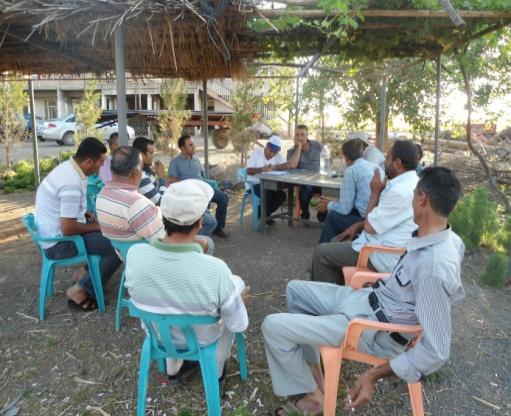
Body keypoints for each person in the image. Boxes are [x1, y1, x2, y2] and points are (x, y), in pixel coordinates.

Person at [262, 166, 465, 415]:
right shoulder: (449, 239)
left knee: (272, 326)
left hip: (370, 330)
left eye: (414, 194)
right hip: (368, 300)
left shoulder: (434, 266)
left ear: (422, 199)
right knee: (295, 290)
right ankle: (316, 381)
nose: (411, 200)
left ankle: (313, 399)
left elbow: (437, 350)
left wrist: (374, 374)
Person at [125, 179, 249, 383]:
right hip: (201, 337)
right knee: (235, 288)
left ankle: (173, 366)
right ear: (200, 222)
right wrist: (238, 303)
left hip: (159, 336)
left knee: (169, 301)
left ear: (162, 216)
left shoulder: (135, 255)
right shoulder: (216, 270)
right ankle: (216, 370)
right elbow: (238, 324)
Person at [311, 140, 419, 285]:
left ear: (397, 163)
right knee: (335, 242)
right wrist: (357, 226)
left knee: (321, 252)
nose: (385, 162)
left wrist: (375, 192)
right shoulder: (413, 183)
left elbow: (369, 226)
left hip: (381, 255)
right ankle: (339, 288)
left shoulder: (399, 192)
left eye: (388, 158)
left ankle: (323, 301)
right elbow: (380, 219)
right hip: (389, 246)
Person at [35, 137, 121, 312]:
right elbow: (68, 229)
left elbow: (66, 212)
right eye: (101, 162)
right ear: (89, 162)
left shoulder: (70, 169)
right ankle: (80, 289)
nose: (102, 166)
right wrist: (97, 226)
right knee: (116, 247)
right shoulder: (71, 183)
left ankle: (84, 275)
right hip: (59, 243)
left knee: (106, 237)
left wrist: (84, 214)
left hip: (53, 234)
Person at [96, 146, 214, 254]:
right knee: (207, 242)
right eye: (141, 168)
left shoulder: (102, 195)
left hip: (126, 254)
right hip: (152, 257)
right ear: (136, 173)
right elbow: (166, 241)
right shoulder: (137, 204)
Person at [132, 136, 217, 237]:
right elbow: (161, 202)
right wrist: (162, 177)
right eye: (151, 153)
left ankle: (189, 240)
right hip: (167, 212)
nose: (153, 156)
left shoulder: (146, 172)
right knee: (210, 221)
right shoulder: (142, 177)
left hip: (173, 202)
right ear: (140, 155)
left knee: (205, 210)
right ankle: (186, 243)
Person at [317, 139, 381, 244]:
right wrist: (332, 202)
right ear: (362, 153)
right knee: (333, 207)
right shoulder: (374, 167)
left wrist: (328, 204)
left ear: (345, 157)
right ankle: (335, 247)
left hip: (367, 221)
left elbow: (345, 209)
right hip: (379, 218)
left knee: (332, 216)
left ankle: (324, 250)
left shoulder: (351, 171)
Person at [168, 134, 229, 238]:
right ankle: (202, 229)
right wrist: (188, 183)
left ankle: (218, 228)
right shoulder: (175, 162)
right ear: (182, 148)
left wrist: (209, 184)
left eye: (193, 144)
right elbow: (170, 180)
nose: (194, 147)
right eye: (190, 145)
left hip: (203, 188)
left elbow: (201, 176)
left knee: (223, 197)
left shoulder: (196, 159)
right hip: (190, 193)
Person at [245, 135, 289, 225]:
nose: (272, 154)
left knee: (282, 195)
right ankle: (263, 216)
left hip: (270, 185)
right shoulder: (256, 153)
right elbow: (248, 171)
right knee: (267, 193)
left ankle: (263, 215)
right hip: (254, 184)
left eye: (275, 152)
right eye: (271, 151)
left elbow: (287, 166)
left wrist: (277, 167)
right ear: (267, 146)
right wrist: (261, 169)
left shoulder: (278, 156)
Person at [286, 125, 324, 221]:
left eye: (303, 135)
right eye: (297, 135)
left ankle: (322, 214)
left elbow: (328, 159)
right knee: (304, 191)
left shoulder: (318, 146)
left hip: (321, 181)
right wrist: (298, 147)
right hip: (306, 184)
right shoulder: (291, 151)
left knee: (330, 191)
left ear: (307, 135)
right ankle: (305, 214)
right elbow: (292, 166)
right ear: (294, 136)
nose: (300, 137)